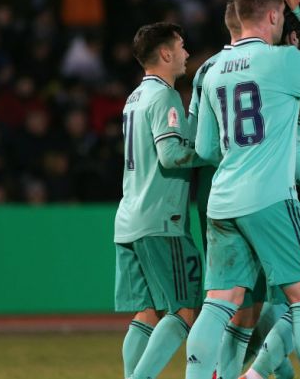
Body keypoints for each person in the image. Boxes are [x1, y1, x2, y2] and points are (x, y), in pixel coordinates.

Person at [184, 0, 300, 379]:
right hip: (272, 199)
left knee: (219, 303)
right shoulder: (283, 61)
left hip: (223, 201)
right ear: (275, 14)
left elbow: (206, 149)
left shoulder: (213, 69)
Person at [114, 22, 205, 379]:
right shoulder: (165, 96)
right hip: (161, 220)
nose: (185, 53)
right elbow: (171, 155)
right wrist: (211, 152)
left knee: (147, 312)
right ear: (165, 53)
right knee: (184, 310)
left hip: (129, 219)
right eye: (181, 46)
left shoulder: (134, 97)